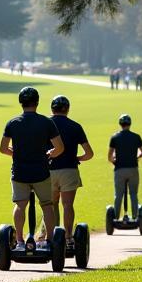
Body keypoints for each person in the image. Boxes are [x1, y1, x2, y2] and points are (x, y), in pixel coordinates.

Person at [0, 86, 65, 250]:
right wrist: (49, 154)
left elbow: (3, 148)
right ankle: (49, 241)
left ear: (21, 103)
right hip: (41, 172)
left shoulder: (12, 123)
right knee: (47, 205)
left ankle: (20, 241)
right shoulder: (46, 122)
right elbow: (60, 147)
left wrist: (15, 154)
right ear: (37, 102)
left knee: (20, 205)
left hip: (20, 172)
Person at [41, 94, 94, 250]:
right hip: (69, 170)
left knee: (50, 205)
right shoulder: (75, 126)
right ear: (67, 109)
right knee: (68, 205)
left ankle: (51, 237)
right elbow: (89, 153)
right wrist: (77, 157)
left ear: (52, 108)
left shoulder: (45, 125)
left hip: (48, 170)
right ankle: (68, 237)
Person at [108, 113, 142, 219]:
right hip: (133, 169)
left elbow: (110, 156)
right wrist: (137, 157)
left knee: (118, 195)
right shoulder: (136, 137)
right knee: (133, 194)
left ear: (120, 124)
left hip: (119, 169)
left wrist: (114, 162)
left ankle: (115, 217)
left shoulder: (114, 137)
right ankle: (135, 217)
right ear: (130, 124)